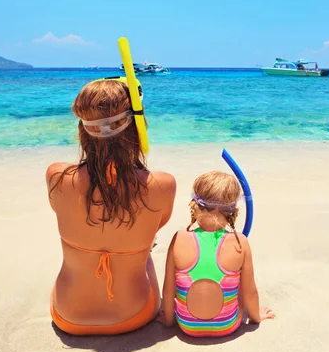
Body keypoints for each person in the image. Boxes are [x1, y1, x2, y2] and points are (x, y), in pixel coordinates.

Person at [46, 79, 176, 335]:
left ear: (83, 130)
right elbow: (158, 223)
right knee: (147, 243)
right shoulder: (162, 185)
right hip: (135, 314)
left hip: (67, 316)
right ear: (137, 127)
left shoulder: (56, 176)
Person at [158, 171, 274, 337]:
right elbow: (250, 291)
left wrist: (169, 322)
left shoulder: (179, 238)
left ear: (195, 205)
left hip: (187, 326)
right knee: (239, 283)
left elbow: (169, 290)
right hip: (227, 325)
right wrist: (256, 317)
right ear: (233, 211)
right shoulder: (240, 242)